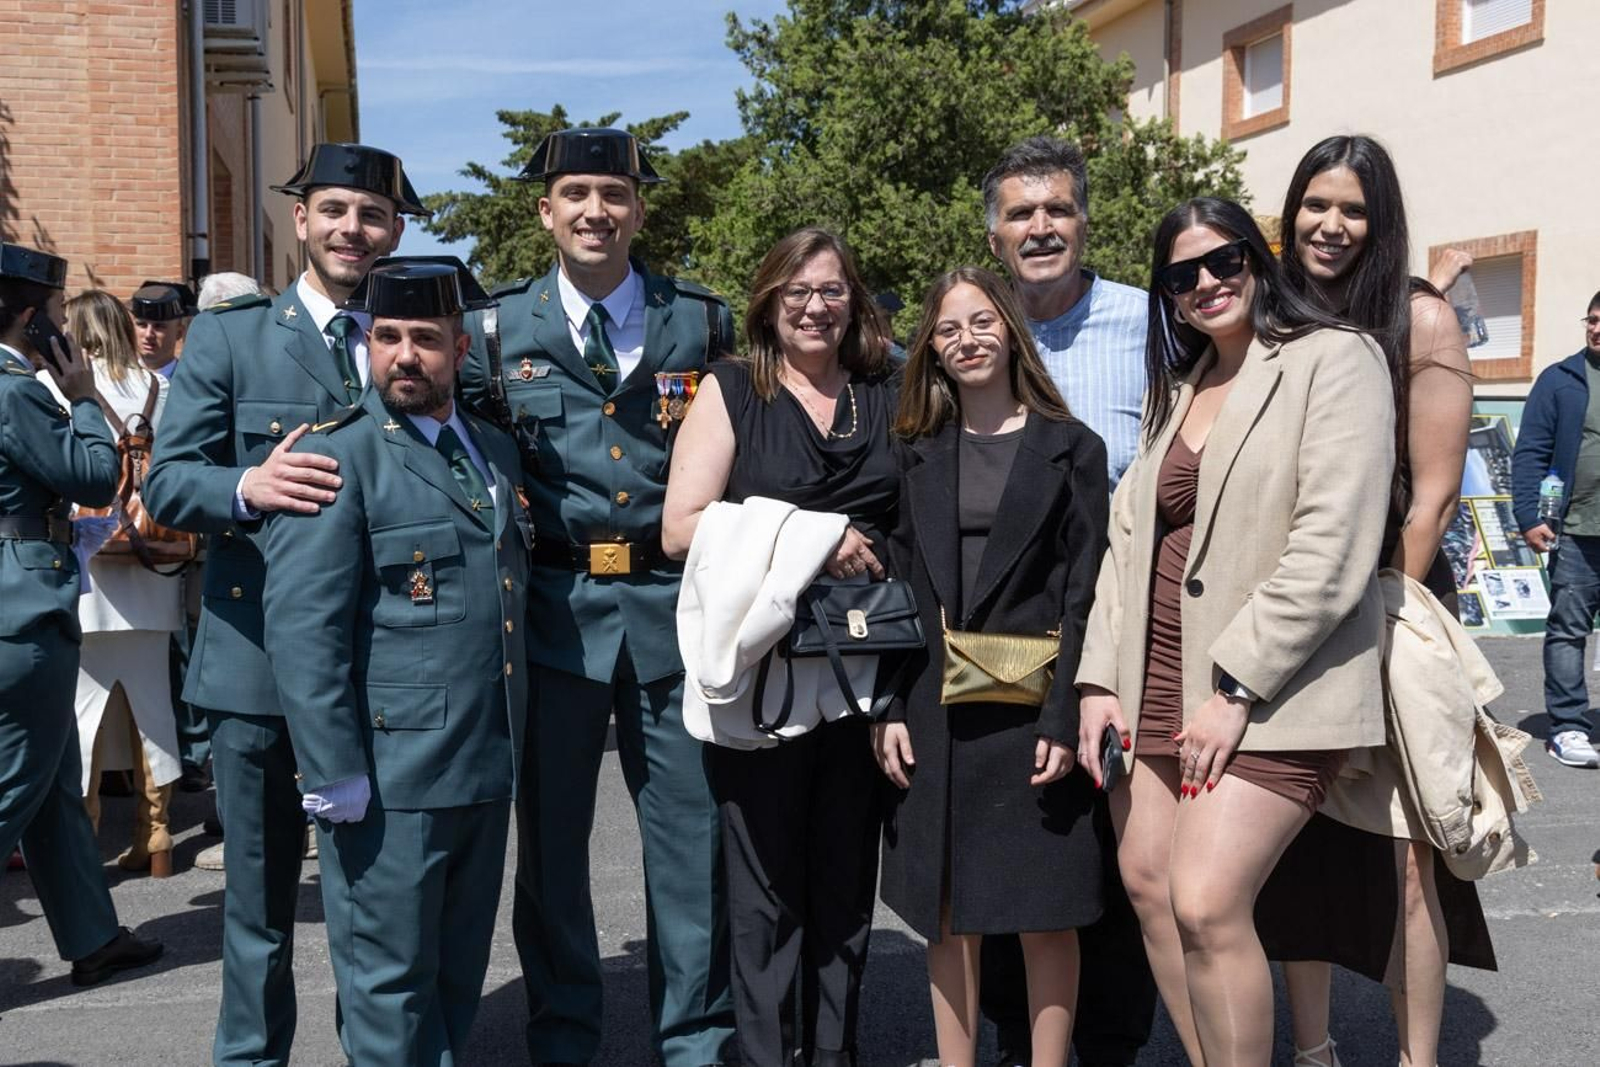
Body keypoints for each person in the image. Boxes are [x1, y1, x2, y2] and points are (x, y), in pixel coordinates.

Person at [1074, 198, 1394, 1066]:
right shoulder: (1179, 388)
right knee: (1150, 889)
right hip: (1154, 678)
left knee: (1208, 901)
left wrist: (1236, 687)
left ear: (1259, 258)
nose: (1207, 283)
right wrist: (1098, 680)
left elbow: (1333, 546)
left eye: (1225, 261)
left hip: (1268, 688)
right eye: (1183, 275)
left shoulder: (1336, 358)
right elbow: (1127, 544)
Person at [459, 126, 735, 1067]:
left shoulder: (701, 322)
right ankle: (565, 1037)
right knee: (551, 850)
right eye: (575, 194)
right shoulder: (495, 330)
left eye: (613, 195)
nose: (595, 211)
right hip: (554, 614)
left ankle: (694, 1040)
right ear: (546, 212)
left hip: (674, 608)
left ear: (639, 210)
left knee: (691, 844)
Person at [145, 142, 426, 1066]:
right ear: (301, 219)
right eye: (335, 210)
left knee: (376, 898)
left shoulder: (414, 335)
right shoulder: (232, 337)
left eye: (373, 215)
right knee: (259, 906)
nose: (353, 229)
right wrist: (246, 486)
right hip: (257, 661)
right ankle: (251, 1056)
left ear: (395, 230)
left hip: (390, 666)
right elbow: (167, 482)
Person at [262, 257, 529, 1065]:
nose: (404, 356)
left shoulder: (492, 450)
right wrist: (331, 769)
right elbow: (304, 629)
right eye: (386, 337)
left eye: (424, 338)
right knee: (388, 985)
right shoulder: (337, 458)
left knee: (456, 974)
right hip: (389, 778)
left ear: (460, 348)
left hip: (482, 763)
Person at [1264, 134, 1487, 1067]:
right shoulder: (1271, 314)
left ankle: (1415, 1057)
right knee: (1297, 852)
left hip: (1389, 611)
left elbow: (1432, 499)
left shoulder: (1421, 319)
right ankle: (1313, 1049)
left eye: (1353, 209)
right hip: (1287, 613)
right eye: (1316, 204)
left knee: (1408, 856)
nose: (1331, 224)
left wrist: (1370, 616)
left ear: (1380, 221)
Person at [662, 226, 898, 1067]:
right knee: (764, 898)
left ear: (854, 301)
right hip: (763, 681)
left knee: (845, 887)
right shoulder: (733, 389)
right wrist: (814, 536)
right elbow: (680, 527)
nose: (815, 306)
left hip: (866, 675)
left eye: (832, 289)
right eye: (797, 291)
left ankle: (835, 1054)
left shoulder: (888, 387)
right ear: (768, 302)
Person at [873, 266, 1108, 1067]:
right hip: (933, 707)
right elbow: (899, 589)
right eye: (947, 329)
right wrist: (887, 708)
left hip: (1036, 710)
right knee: (947, 915)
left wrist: (1066, 716)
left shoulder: (1073, 448)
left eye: (980, 322)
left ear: (1010, 329)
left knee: (1047, 913)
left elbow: (1086, 594)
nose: (966, 339)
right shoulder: (912, 452)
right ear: (931, 349)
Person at [980, 135, 1156, 1067]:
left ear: (1085, 222)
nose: (1041, 226)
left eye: (1058, 209)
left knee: (1115, 837)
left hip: (1120, 620)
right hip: (1000, 628)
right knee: (1015, 831)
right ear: (996, 235)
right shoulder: (973, 327)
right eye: (1022, 212)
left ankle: (1112, 1042)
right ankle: (1019, 1037)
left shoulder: (1149, 322)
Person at [0, 242, 163, 985]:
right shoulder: (17, 391)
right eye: (57, 313)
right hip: (22, 607)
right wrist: (87, 398)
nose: (65, 328)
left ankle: (92, 937)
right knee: (17, 780)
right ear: (30, 318)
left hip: (22, 599)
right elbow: (94, 476)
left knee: (53, 783)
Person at [62, 289, 185, 877]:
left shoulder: (63, 388)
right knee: (152, 711)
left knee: (82, 714)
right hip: (153, 566)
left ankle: (83, 840)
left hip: (89, 568)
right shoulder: (162, 387)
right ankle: (156, 836)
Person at [1512, 293, 1600, 770]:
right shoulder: (1561, 379)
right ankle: (1567, 726)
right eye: (1593, 320)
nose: (1597, 329)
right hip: (1578, 532)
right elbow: (1530, 451)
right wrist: (1529, 516)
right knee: (1568, 630)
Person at [129, 281, 194, 378]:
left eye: (158, 326)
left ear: (179, 333)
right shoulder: (120, 380)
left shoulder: (190, 381)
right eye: (142, 325)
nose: (148, 334)